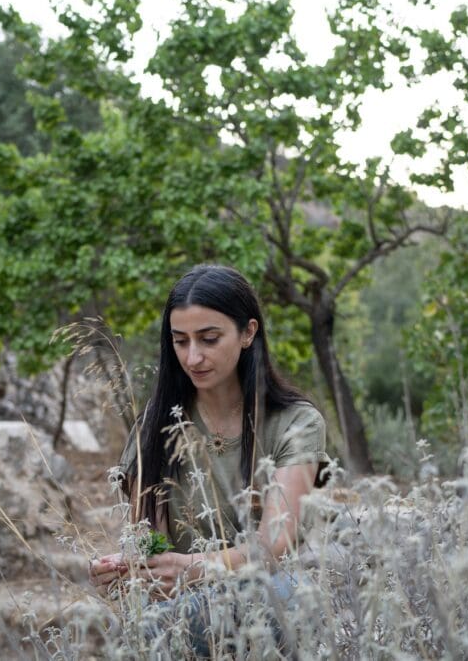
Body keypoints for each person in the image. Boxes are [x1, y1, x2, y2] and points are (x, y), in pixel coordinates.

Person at [88, 264, 328, 653]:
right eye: (180, 341)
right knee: (149, 623)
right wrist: (125, 568)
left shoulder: (296, 422)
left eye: (209, 339)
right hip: (183, 610)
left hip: (273, 607)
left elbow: (272, 548)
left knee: (282, 595)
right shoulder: (153, 425)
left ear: (248, 332)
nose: (193, 357)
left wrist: (189, 568)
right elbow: (151, 544)